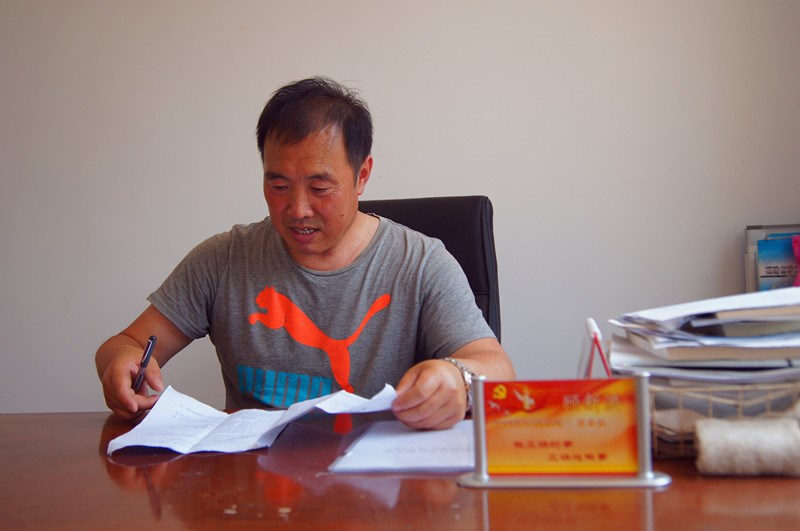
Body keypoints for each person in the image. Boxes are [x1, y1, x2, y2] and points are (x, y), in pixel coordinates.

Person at [95, 76, 515, 430]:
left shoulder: (420, 263)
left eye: (319, 187)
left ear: (362, 175)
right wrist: (121, 362)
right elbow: (127, 343)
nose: (297, 209)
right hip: (254, 482)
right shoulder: (224, 259)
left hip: (372, 482)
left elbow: (496, 368)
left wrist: (457, 377)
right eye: (278, 186)